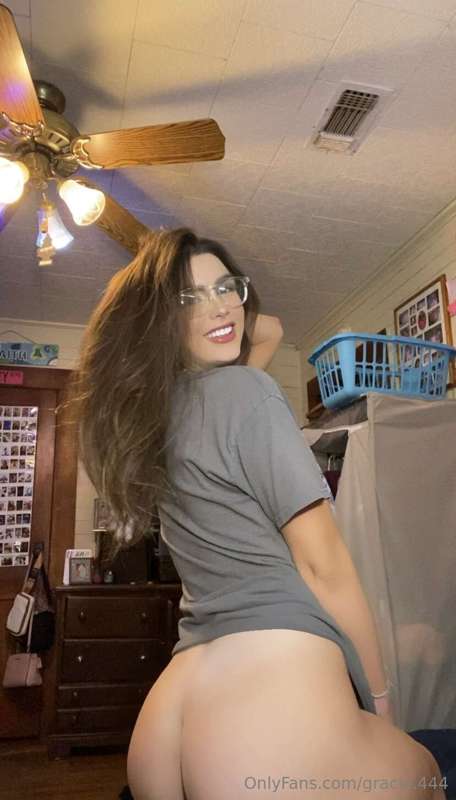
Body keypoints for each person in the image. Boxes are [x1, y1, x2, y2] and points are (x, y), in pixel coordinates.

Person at [72, 228, 445, 800]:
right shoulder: (248, 392)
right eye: (189, 297)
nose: (221, 306)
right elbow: (324, 567)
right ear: (161, 320)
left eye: (227, 288)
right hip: (269, 678)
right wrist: (381, 699)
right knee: (428, 771)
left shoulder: (157, 421)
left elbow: (264, 329)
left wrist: (209, 306)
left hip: (171, 710)